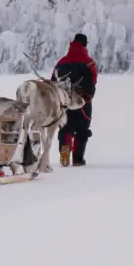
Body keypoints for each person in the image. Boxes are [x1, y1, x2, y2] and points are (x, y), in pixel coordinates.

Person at [52, 33, 98, 166]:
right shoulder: (88, 62)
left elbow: (53, 81)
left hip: (64, 101)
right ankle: (78, 158)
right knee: (82, 129)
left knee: (66, 127)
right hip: (82, 101)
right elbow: (93, 80)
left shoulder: (61, 62)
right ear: (85, 44)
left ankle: (64, 150)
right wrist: (88, 96)